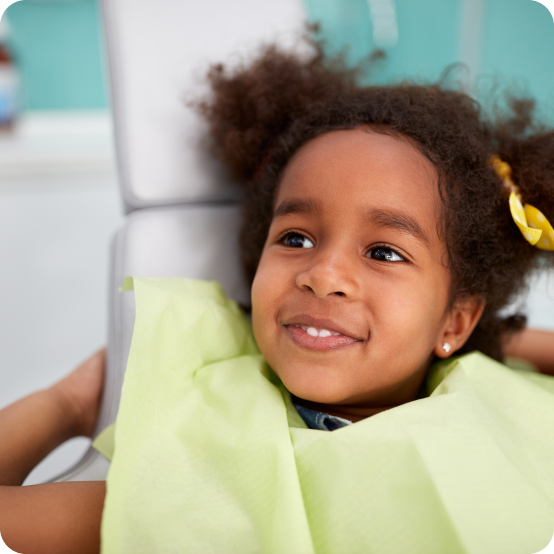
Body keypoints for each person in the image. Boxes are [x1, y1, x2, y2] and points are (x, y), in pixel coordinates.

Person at [1, 40, 554, 553]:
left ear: (457, 322)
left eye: (384, 252)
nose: (322, 273)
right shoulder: (198, 464)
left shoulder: (501, 404)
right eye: (296, 237)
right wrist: (68, 404)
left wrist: (501, 343)